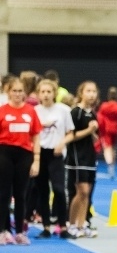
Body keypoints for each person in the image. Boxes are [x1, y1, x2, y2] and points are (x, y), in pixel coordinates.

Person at [0, 77, 42, 245]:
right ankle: (3, 230)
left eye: (20, 91)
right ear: (8, 92)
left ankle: (19, 231)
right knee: (3, 193)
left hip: (25, 154)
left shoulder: (31, 111)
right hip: (4, 152)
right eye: (14, 91)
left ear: (24, 92)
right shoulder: (2, 110)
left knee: (21, 194)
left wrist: (36, 159)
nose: (17, 94)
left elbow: (36, 135)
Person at [33, 79, 74, 239]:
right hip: (40, 152)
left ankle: (63, 226)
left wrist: (61, 143)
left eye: (49, 91)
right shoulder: (35, 110)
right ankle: (46, 226)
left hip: (56, 154)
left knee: (59, 189)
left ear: (54, 93)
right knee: (43, 190)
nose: (46, 95)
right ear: (38, 94)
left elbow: (71, 132)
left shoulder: (63, 110)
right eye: (42, 92)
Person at [65, 81, 100, 238]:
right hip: (77, 158)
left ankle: (81, 224)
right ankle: (71, 224)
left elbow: (92, 137)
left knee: (88, 193)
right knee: (81, 191)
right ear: (81, 93)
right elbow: (71, 136)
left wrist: (94, 134)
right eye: (88, 91)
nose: (92, 94)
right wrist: (89, 130)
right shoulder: (76, 112)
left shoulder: (92, 113)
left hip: (90, 157)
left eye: (94, 91)